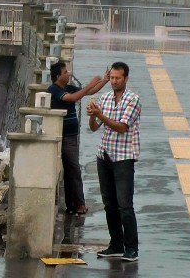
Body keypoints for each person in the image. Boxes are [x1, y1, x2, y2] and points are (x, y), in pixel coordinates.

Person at [87, 62, 141, 262]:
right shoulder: (106, 98)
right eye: (111, 78)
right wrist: (93, 116)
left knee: (124, 205)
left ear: (126, 79)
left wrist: (100, 114)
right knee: (109, 204)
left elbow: (122, 127)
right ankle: (116, 244)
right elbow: (94, 128)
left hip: (124, 158)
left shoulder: (132, 100)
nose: (114, 81)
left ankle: (131, 248)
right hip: (105, 156)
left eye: (118, 78)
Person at [48, 61, 109, 215]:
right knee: (73, 170)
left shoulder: (67, 87)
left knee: (72, 170)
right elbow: (73, 98)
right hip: (58, 135)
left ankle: (75, 204)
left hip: (70, 136)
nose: (68, 74)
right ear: (58, 76)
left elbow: (90, 92)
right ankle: (78, 204)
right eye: (65, 72)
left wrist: (105, 80)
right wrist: (90, 84)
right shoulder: (54, 90)